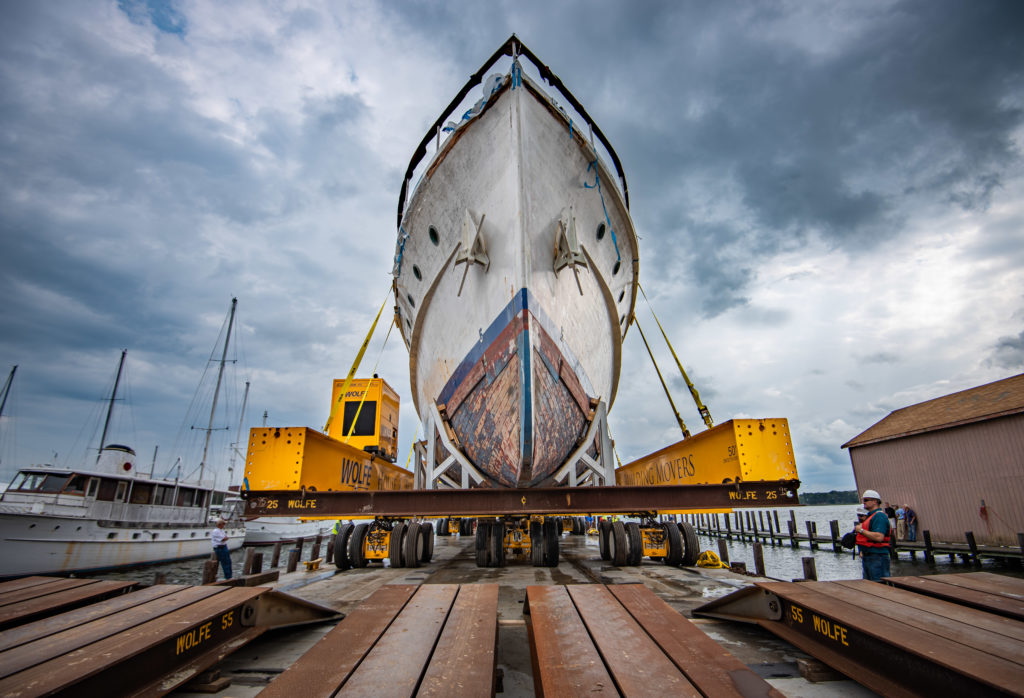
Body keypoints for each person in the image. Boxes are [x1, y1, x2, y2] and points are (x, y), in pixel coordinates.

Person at [855, 489, 891, 581]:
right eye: (863, 500)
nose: (864, 503)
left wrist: (861, 530)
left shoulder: (879, 516)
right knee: (868, 584)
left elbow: (879, 537)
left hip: (877, 556)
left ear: (875, 501)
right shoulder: (870, 516)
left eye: (866, 500)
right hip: (869, 555)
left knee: (879, 584)